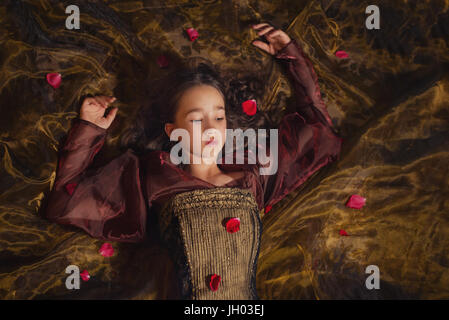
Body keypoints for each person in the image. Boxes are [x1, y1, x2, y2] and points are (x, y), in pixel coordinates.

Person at [42, 22, 342, 300]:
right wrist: (88, 130)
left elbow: (317, 129)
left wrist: (291, 57)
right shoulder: (151, 178)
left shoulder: (253, 172)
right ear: (173, 131)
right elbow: (65, 203)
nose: (212, 128)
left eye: (219, 116)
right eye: (197, 120)